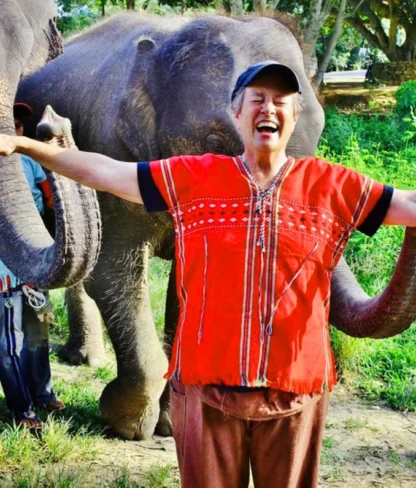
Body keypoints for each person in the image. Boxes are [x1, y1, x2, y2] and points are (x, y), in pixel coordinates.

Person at [0, 62, 415, 485]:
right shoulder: (195, 176)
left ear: (296, 116)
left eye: (280, 101)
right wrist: (29, 147)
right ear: (236, 114)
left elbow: (409, 206)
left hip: (295, 390)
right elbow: (105, 172)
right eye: (257, 100)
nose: (268, 109)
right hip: (205, 390)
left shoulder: (331, 184)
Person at [0, 103, 63, 430]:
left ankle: (42, 393)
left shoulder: (28, 162)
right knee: (9, 340)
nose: (15, 129)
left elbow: (51, 198)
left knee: (38, 330)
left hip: (33, 261)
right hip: (4, 272)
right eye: (9, 124)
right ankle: (22, 408)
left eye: (18, 125)